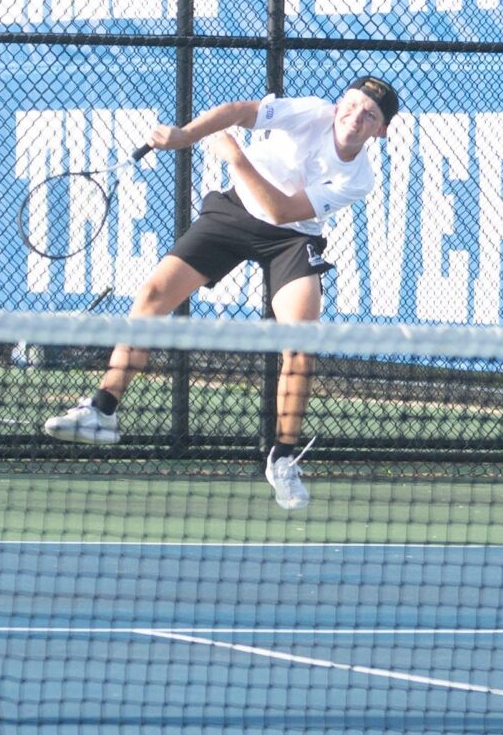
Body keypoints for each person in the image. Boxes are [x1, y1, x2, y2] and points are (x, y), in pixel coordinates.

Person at [43, 76, 401, 511]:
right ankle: (102, 410)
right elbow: (237, 111)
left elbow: (281, 210)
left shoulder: (358, 178)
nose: (356, 117)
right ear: (339, 104)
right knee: (154, 293)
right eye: (353, 105)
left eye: (370, 115)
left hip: (289, 238)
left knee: (301, 346)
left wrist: (235, 157)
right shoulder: (311, 112)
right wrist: (185, 136)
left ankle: (283, 458)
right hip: (233, 214)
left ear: (380, 131)